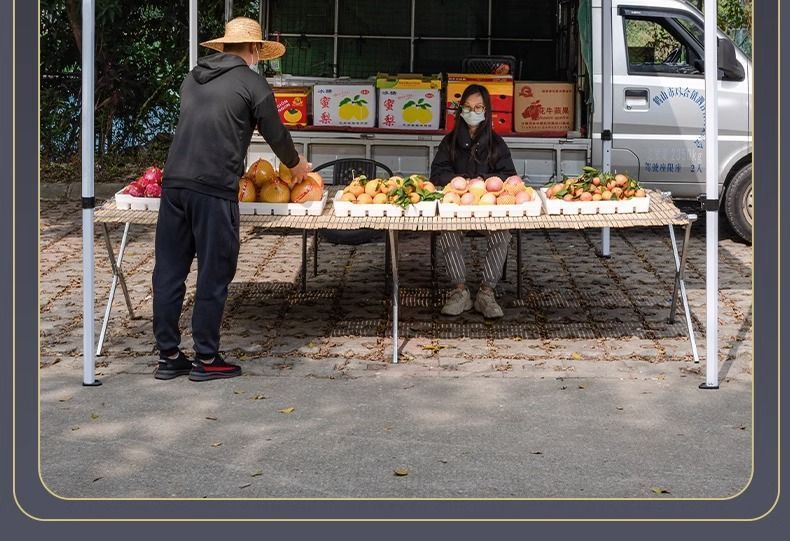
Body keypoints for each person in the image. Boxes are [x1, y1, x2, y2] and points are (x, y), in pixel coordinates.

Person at [152, 17, 311, 381]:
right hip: (214, 189)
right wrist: (297, 165)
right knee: (214, 273)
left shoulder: (192, 78)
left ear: (223, 46)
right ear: (254, 49)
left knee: (169, 273)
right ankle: (207, 359)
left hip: (174, 185)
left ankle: (168, 355)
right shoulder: (252, 83)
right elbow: (276, 133)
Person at [430, 84, 518, 319]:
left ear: (486, 110)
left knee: (502, 232)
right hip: (458, 209)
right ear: (460, 110)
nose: (473, 112)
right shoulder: (449, 142)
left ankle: (486, 293)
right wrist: (462, 182)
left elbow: (509, 175)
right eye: (468, 107)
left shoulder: (496, 143)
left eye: (478, 107)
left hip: (488, 211)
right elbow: (436, 174)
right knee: (448, 230)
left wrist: (483, 181)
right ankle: (460, 291)